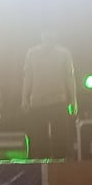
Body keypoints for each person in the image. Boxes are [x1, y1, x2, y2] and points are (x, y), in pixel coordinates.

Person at [21, 30, 79, 159]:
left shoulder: (64, 53)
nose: (49, 36)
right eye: (46, 33)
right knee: (37, 139)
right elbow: (28, 76)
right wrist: (24, 98)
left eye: (52, 33)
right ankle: (38, 164)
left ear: (56, 35)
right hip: (37, 102)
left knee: (61, 138)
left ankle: (61, 163)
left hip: (58, 100)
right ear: (41, 35)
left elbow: (70, 77)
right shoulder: (32, 53)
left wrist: (74, 100)